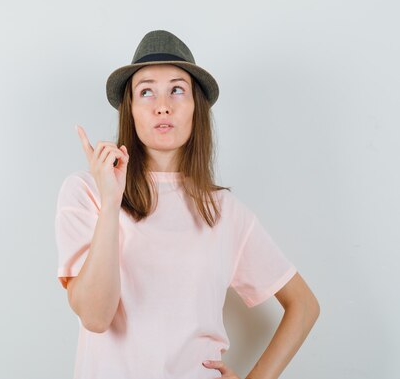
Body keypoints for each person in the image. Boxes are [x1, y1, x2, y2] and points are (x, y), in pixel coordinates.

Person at [54, 30, 319, 379]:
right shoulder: (86, 191)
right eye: (146, 91)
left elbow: (304, 306)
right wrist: (111, 200)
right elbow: (95, 317)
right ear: (130, 110)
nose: (162, 105)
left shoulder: (223, 210)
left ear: (196, 106)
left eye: (177, 89)